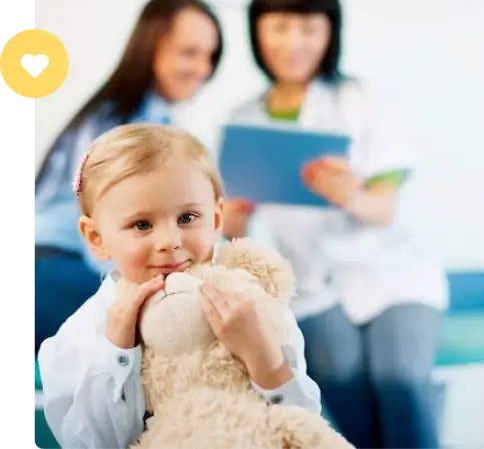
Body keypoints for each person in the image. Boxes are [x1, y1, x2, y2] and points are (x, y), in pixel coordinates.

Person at [222, 0, 449, 448]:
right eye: (281, 26)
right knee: (339, 381)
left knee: (399, 378)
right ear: (258, 31)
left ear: (330, 33)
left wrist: (350, 194)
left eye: (310, 28)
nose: (294, 42)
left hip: (393, 275)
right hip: (311, 288)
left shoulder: (357, 99)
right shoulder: (243, 120)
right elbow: (232, 234)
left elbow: (383, 209)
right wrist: (233, 215)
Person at [38, 124, 322, 449]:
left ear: (216, 220)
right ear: (96, 238)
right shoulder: (80, 338)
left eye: (187, 218)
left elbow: (305, 429)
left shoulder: (253, 307)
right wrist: (117, 347)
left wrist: (262, 355)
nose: (171, 242)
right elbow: (93, 444)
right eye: (141, 225)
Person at [33, 0, 224, 353]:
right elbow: (108, 238)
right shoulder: (126, 131)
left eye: (210, 56)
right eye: (189, 53)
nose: (203, 69)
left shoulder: (147, 119)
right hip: (57, 269)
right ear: (152, 47)